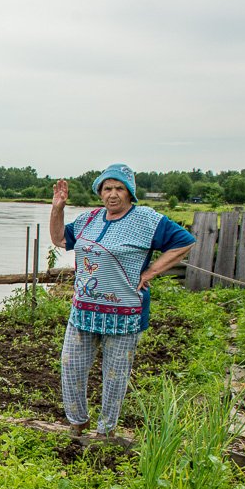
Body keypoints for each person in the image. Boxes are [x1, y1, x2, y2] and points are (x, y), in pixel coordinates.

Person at [49, 163, 196, 438]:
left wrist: (152, 271)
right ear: (100, 193)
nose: (113, 194)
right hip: (83, 311)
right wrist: (57, 208)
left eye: (119, 188)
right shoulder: (89, 219)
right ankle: (77, 423)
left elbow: (184, 242)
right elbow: (59, 238)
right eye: (107, 188)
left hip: (124, 312)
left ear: (130, 193)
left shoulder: (146, 220)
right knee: (71, 367)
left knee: (115, 377)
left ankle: (106, 433)